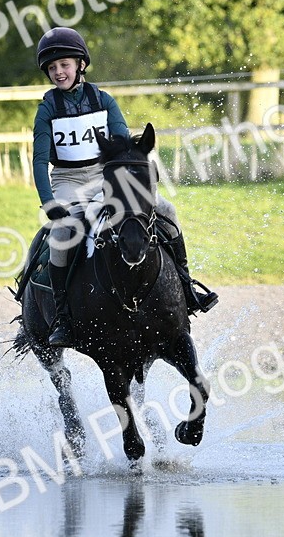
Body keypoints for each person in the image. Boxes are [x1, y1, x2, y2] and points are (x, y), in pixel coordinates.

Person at [32, 26, 218, 347]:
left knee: (167, 211)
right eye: (52, 68)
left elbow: (123, 145)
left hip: (108, 175)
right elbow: (38, 160)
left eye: (64, 65)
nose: (58, 72)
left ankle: (187, 287)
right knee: (63, 233)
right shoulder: (47, 109)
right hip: (68, 181)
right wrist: (49, 202)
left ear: (80, 65)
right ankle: (63, 315)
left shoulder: (104, 100)